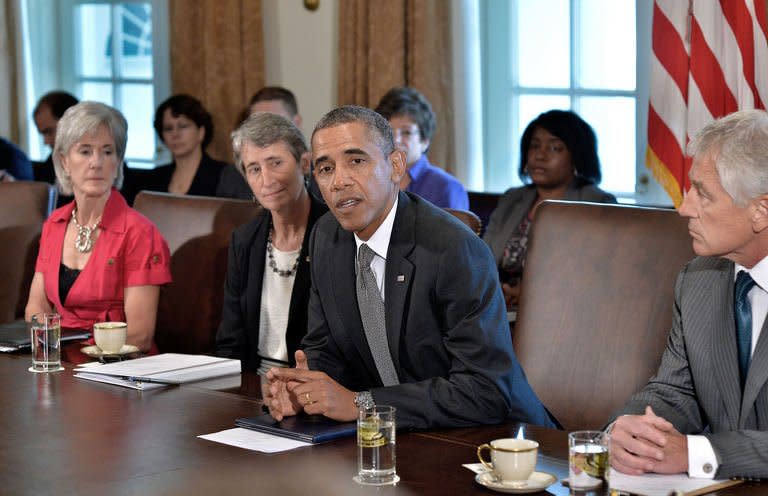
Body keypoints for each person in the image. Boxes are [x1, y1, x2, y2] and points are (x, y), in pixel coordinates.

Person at [264, 105, 554, 430]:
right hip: (397, 435)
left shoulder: (453, 249)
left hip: (502, 443)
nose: (339, 181)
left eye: (356, 161)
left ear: (396, 165)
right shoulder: (326, 237)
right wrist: (303, 392)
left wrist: (363, 405)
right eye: (325, 168)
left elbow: (485, 390)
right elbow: (324, 347)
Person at [609, 109, 768, 480]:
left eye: (703, 193)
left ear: (761, 210)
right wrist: (630, 433)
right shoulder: (698, 280)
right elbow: (676, 392)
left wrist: (699, 452)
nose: (684, 208)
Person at [24, 102, 172, 353]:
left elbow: (139, 335)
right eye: (85, 151)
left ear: (118, 162)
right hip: (59, 362)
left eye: (107, 152)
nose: (97, 162)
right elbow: (36, 308)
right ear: (64, 161)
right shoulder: (54, 223)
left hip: (118, 370)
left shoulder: (140, 233)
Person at [214, 112, 327, 373]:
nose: (266, 180)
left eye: (275, 163)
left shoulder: (335, 235)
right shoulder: (244, 240)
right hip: (251, 384)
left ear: (304, 163)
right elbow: (229, 342)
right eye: (254, 169)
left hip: (311, 385)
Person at [483, 110, 616, 310]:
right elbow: (483, 256)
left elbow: (594, 272)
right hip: (500, 306)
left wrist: (529, 294)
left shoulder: (595, 202)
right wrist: (497, 291)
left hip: (563, 310)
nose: (540, 155)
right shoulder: (512, 199)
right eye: (534, 146)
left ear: (576, 157)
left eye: (555, 148)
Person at [374, 87, 469, 210]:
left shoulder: (447, 187)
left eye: (406, 132)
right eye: (389, 131)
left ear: (424, 141)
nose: (396, 140)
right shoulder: (373, 181)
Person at [123, 94, 226, 204]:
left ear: (201, 132)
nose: (175, 134)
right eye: (168, 129)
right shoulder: (153, 179)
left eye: (183, 126)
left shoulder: (224, 176)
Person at [217, 87, 304, 201]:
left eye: (276, 123)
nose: (265, 132)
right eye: (257, 124)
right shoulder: (233, 176)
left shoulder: (321, 171)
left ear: (297, 123)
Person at [32, 91, 80, 205]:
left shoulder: (105, 165)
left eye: (49, 132)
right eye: (42, 134)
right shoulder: (51, 162)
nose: (46, 141)